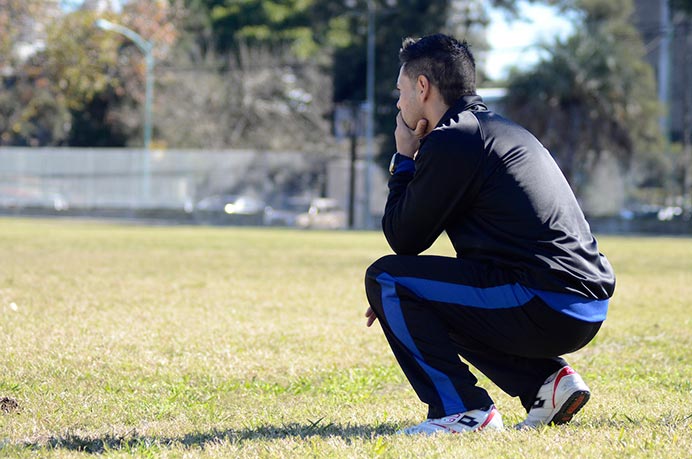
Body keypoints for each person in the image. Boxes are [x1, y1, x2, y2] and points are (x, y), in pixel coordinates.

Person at [364, 33, 615, 435]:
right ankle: (546, 383)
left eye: (401, 91)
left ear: (422, 86)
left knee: (386, 277)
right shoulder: (494, 130)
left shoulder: (453, 139)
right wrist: (414, 301)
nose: (398, 103)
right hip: (579, 303)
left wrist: (404, 158)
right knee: (404, 288)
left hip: (544, 300)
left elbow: (403, 238)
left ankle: (462, 411)